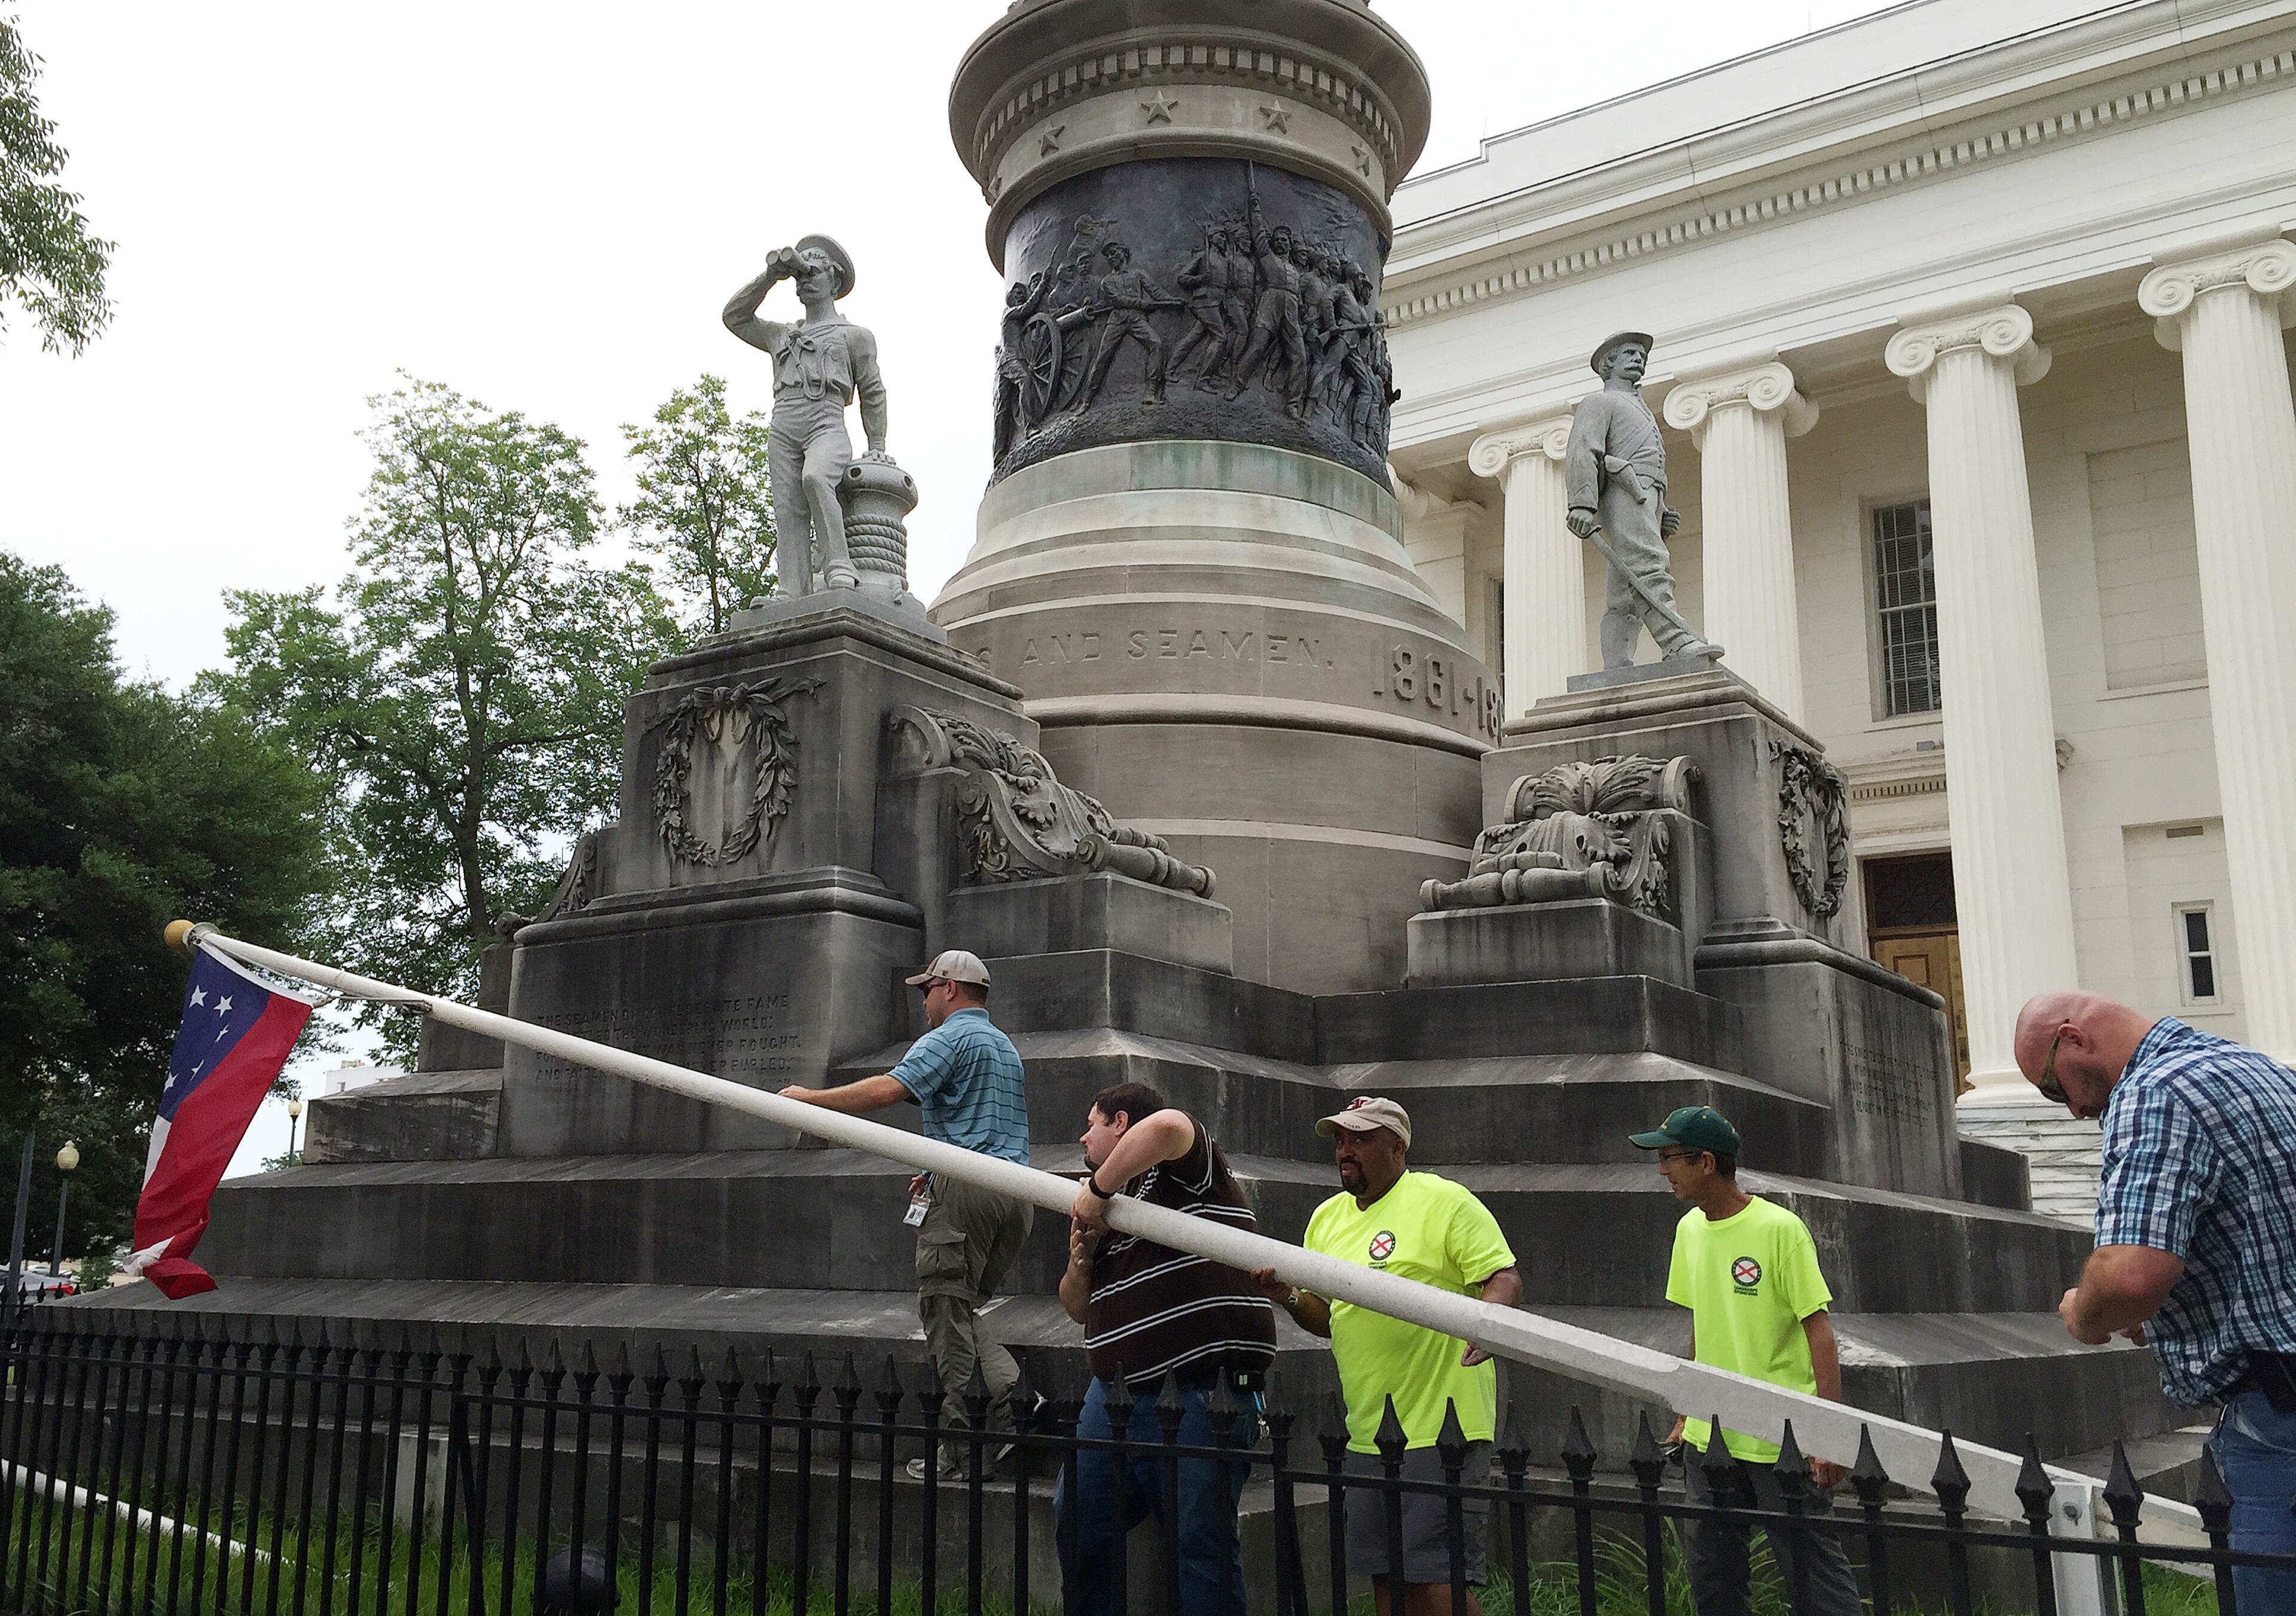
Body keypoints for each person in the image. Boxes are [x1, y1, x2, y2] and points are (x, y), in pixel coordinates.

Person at [2014, 991, 2296, 1609]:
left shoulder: (2156, 1092)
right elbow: (2266, 1247)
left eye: (2053, 1090)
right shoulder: (2267, 1074)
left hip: (2277, 1418)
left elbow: (2128, 1278)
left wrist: (2086, 1316)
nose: (2074, 1111)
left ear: (2073, 1038)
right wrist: (2171, 1316)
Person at [1250, 1097, 1521, 1616]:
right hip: (1367, 1428)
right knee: (1388, 1577)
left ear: (1398, 1146)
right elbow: (1328, 1317)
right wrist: (1286, 1295)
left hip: (1443, 1425)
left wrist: (1491, 1322)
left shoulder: (1445, 1201)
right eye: (1340, 1141)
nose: (1345, 1151)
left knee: (1439, 1578)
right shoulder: (1325, 1219)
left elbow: (1503, 1276)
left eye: (1361, 1139)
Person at [777, 949, 1032, 1479]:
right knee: (958, 1308)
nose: (924, 1003)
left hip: (968, 1192)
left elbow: (891, 1088)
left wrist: (810, 1100)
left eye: (927, 990)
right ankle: (1018, 1402)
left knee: (943, 1310)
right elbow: (977, 1122)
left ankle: (961, 1451)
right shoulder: (1003, 1045)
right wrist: (935, 1172)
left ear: (951, 989)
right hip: (1016, 1194)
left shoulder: (949, 1037)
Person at [1058, 1082, 1277, 1616]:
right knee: (1081, 1526)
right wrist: (1080, 1264)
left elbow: (1168, 1126)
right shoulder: (1113, 1206)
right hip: (1111, 1396)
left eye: (1092, 1123)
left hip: (1203, 1394)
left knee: (1201, 1550)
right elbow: (1077, 1308)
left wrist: (1099, 1189)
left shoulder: (1184, 1172)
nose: (1083, 1136)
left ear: (1121, 1123)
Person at [1631, 1105, 1860, 1616]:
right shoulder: (1689, 1230)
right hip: (1709, 1438)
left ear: (1706, 1162)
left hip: (1783, 1437)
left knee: (1817, 1583)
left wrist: (1829, 1429)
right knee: (1714, 1584)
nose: (1662, 1170)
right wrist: (1687, 1409)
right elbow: (1702, 1324)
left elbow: (1818, 1330)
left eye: (1669, 1157)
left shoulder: (1780, 1229)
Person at [720, 236, 889, 597]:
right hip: (784, 422)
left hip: (826, 421)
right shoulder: (781, 334)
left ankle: (839, 567)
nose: (805, 280)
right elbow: (734, 317)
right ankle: (791, 588)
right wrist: (770, 276)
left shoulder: (855, 336)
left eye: (814, 272)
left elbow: (872, 392)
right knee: (787, 506)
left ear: (835, 280)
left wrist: (877, 444)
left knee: (815, 478)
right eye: (800, 275)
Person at [1564, 331, 1712, 668]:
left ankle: (1616, 664)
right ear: (1607, 364)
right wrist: (1582, 504)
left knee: (1623, 593)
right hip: (1625, 491)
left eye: (1641, 356)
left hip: (1647, 497)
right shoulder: (1599, 403)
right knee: (1648, 565)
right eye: (1629, 353)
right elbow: (1583, 451)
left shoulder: (1639, 407)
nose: (1638, 359)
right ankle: (1676, 642)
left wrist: (1660, 514)